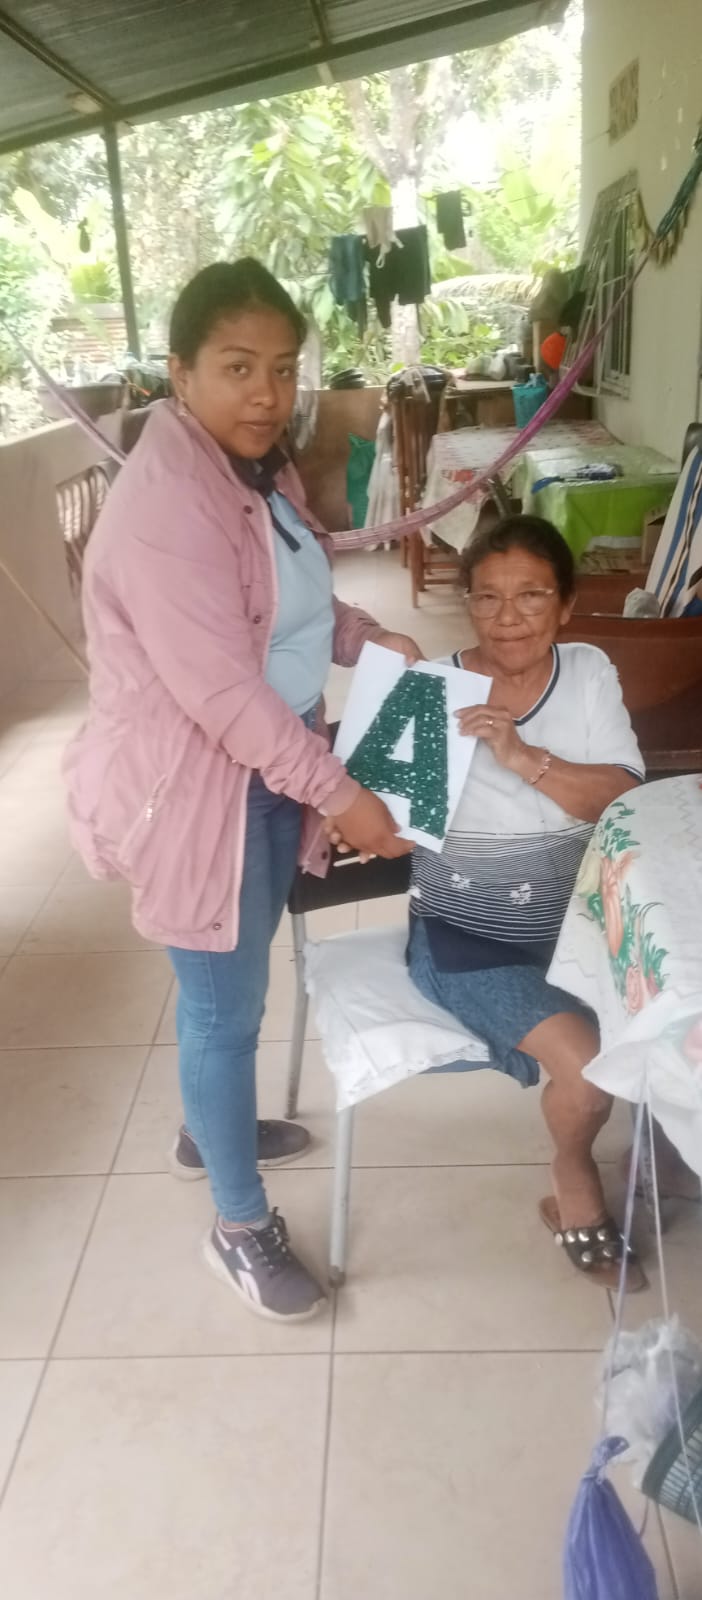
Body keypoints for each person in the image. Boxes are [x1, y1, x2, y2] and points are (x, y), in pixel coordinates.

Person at [65, 259, 420, 1325]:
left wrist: (365, 637)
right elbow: (221, 689)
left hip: (261, 775)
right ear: (180, 372)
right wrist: (342, 796)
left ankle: (205, 1127)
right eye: (236, 367)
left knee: (233, 983)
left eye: (283, 367)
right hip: (197, 795)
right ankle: (235, 1221)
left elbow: (284, 601)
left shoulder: (254, 471)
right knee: (224, 1009)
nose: (267, 393)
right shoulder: (168, 504)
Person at [405, 513, 648, 1290]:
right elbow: (382, 833)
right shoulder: (433, 691)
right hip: (467, 939)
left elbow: (621, 797)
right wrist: (364, 782)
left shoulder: (588, 671)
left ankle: (668, 1150)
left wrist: (521, 755)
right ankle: (573, 1169)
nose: (507, 617)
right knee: (590, 1070)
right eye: (487, 597)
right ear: (468, 605)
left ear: (566, 604)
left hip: (582, 929)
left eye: (532, 595)